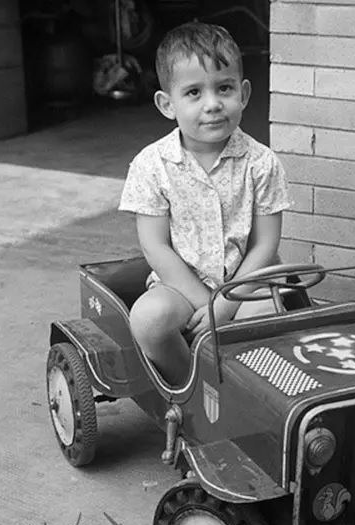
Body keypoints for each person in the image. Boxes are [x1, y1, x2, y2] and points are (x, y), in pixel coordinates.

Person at [118, 21, 292, 386]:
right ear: (168, 104)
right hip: (181, 285)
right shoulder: (152, 165)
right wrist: (206, 302)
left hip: (248, 284)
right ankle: (194, 389)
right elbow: (155, 246)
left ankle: (250, 398)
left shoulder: (261, 162)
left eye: (224, 88)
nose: (213, 104)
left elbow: (265, 245)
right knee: (149, 319)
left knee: (268, 320)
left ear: (243, 94)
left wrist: (227, 302)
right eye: (194, 92)